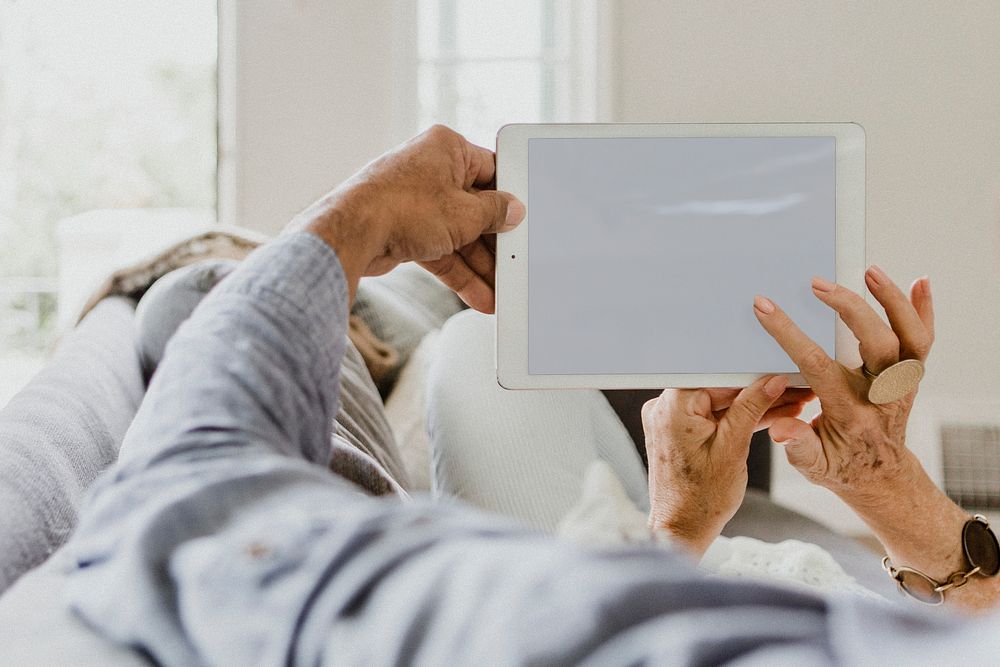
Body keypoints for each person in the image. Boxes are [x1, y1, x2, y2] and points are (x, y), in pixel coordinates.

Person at [66, 125, 998, 665]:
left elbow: (188, 473)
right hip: (694, 578)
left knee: (464, 339)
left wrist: (358, 219)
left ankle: (380, 308)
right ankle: (385, 307)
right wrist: (891, 490)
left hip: (612, 576)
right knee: (474, 336)